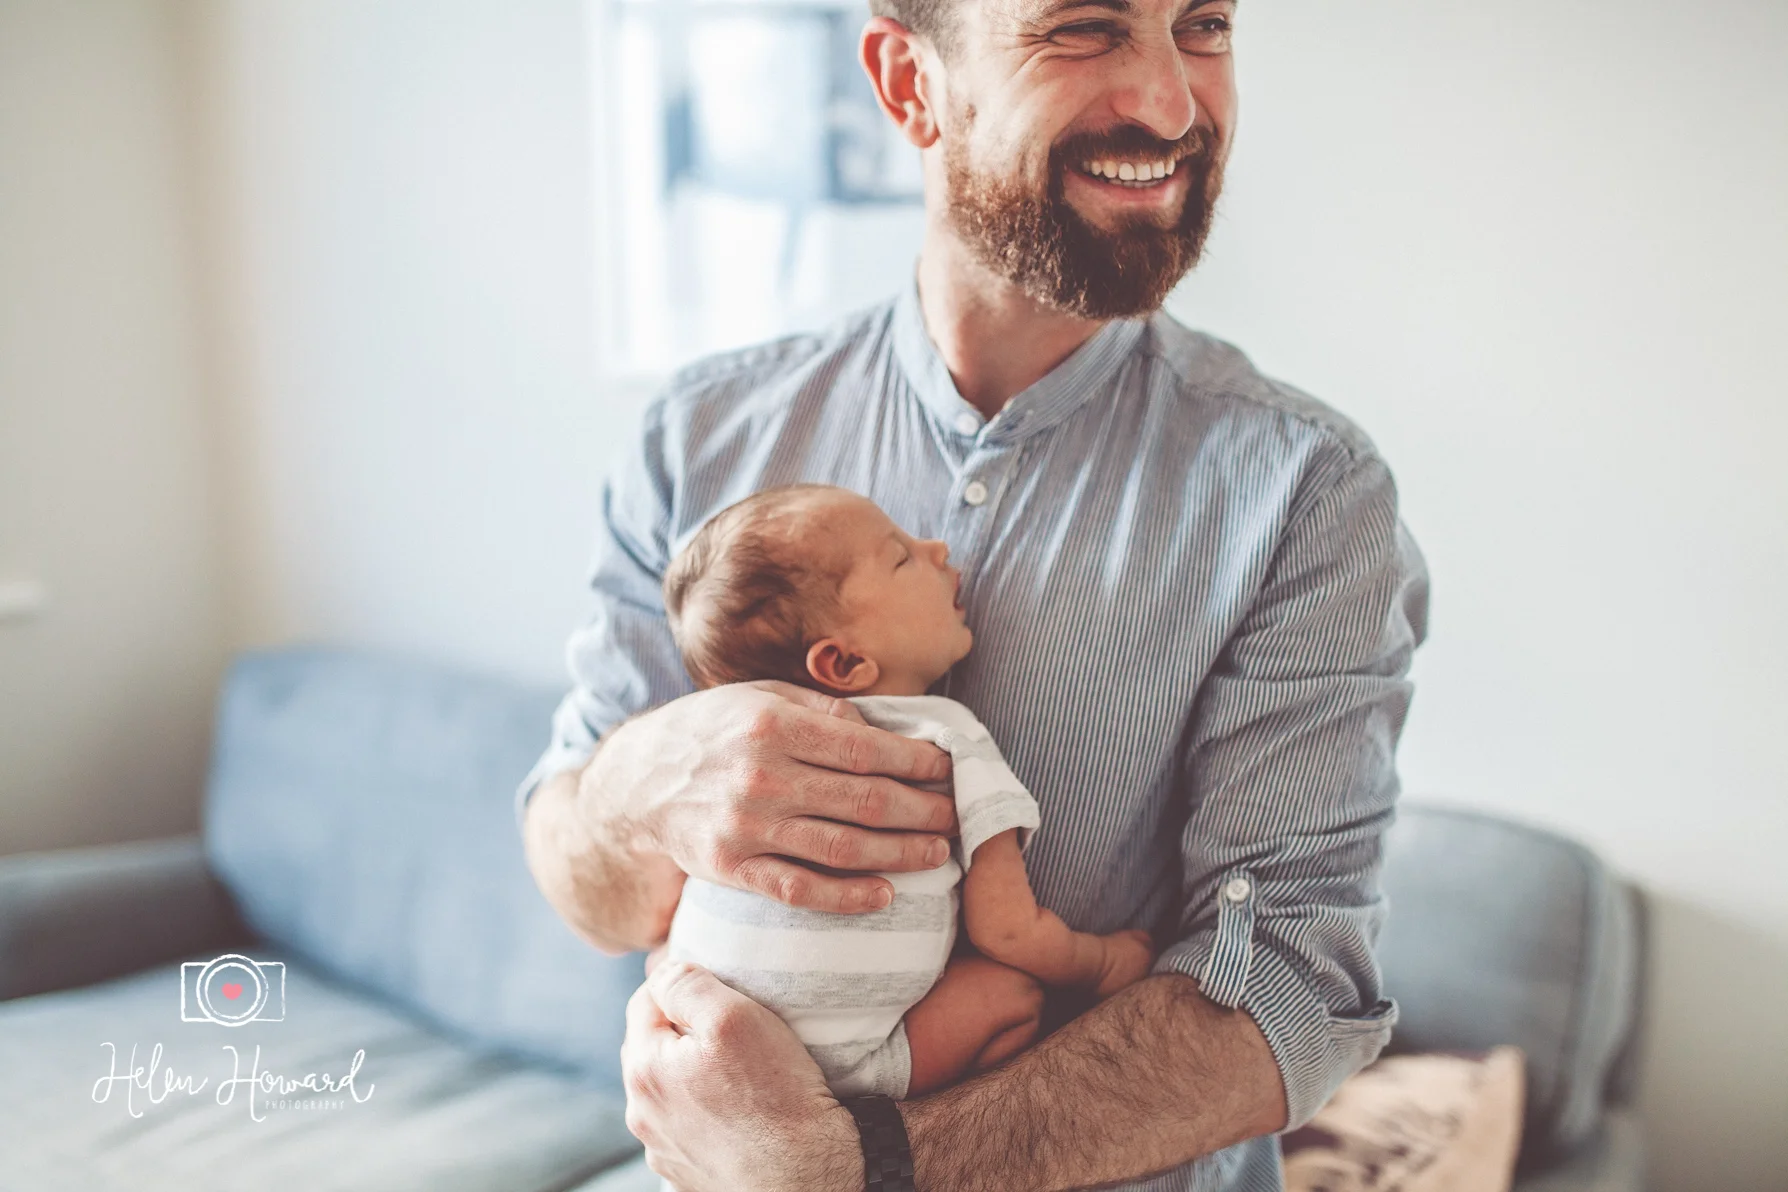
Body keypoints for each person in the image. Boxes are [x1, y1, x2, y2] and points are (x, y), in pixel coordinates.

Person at [518, 0, 1431, 1185]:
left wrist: (864, 1168)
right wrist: (640, 783)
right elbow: (584, 878)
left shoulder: (1307, 492)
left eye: (1203, 25)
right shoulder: (695, 441)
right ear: (909, 84)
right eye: (1085, 28)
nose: (1169, 102)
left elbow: (1295, 988)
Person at [658, 483, 1157, 1100]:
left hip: (699, 1044)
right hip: (843, 1071)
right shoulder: (944, 740)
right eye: (901, 555)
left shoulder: (739, 755)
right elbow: (1008, 930)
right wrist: (1104, 963)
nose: (938, 548)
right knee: (1012, 996)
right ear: (842, 665)